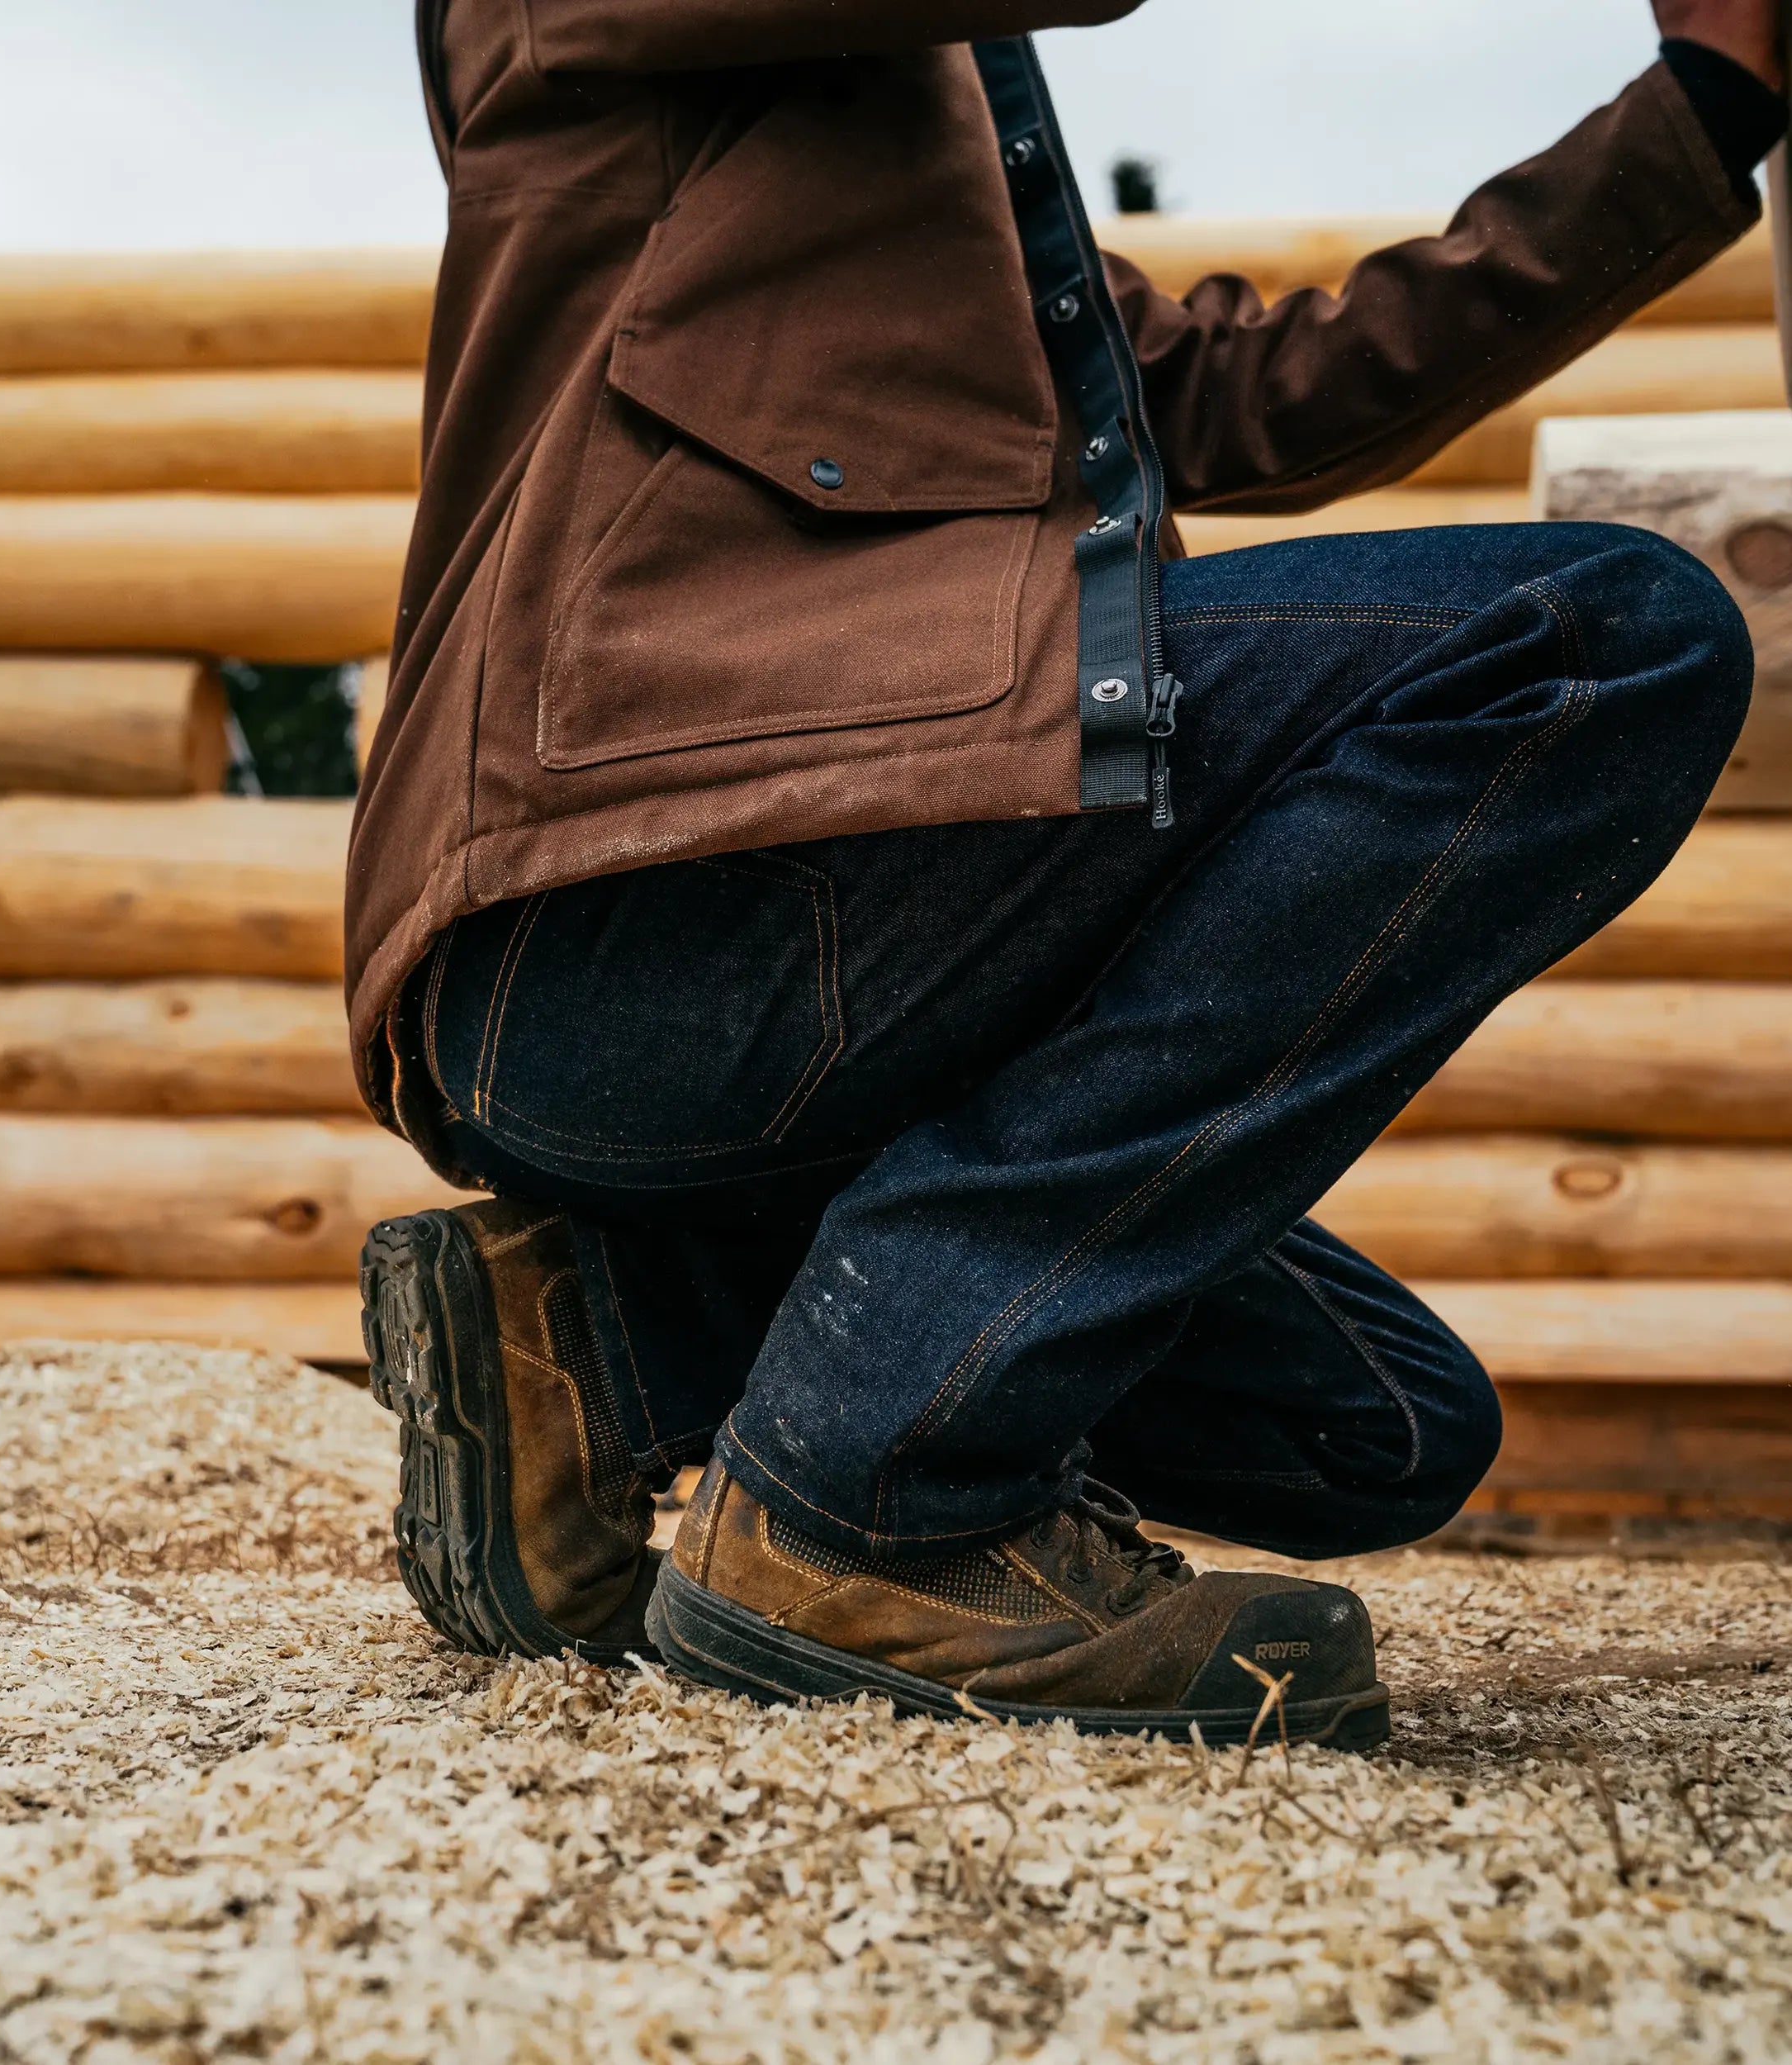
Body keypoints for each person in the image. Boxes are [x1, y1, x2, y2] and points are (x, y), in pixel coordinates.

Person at [346, 0, 1780, 1747]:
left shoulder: (927, 203)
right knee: (1594, 644)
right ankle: (857, 1501)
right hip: (638, 898)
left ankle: (603, 1331)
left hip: (813, 940)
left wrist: (1700, 105)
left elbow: (1264, 391)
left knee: (1383, 1422)